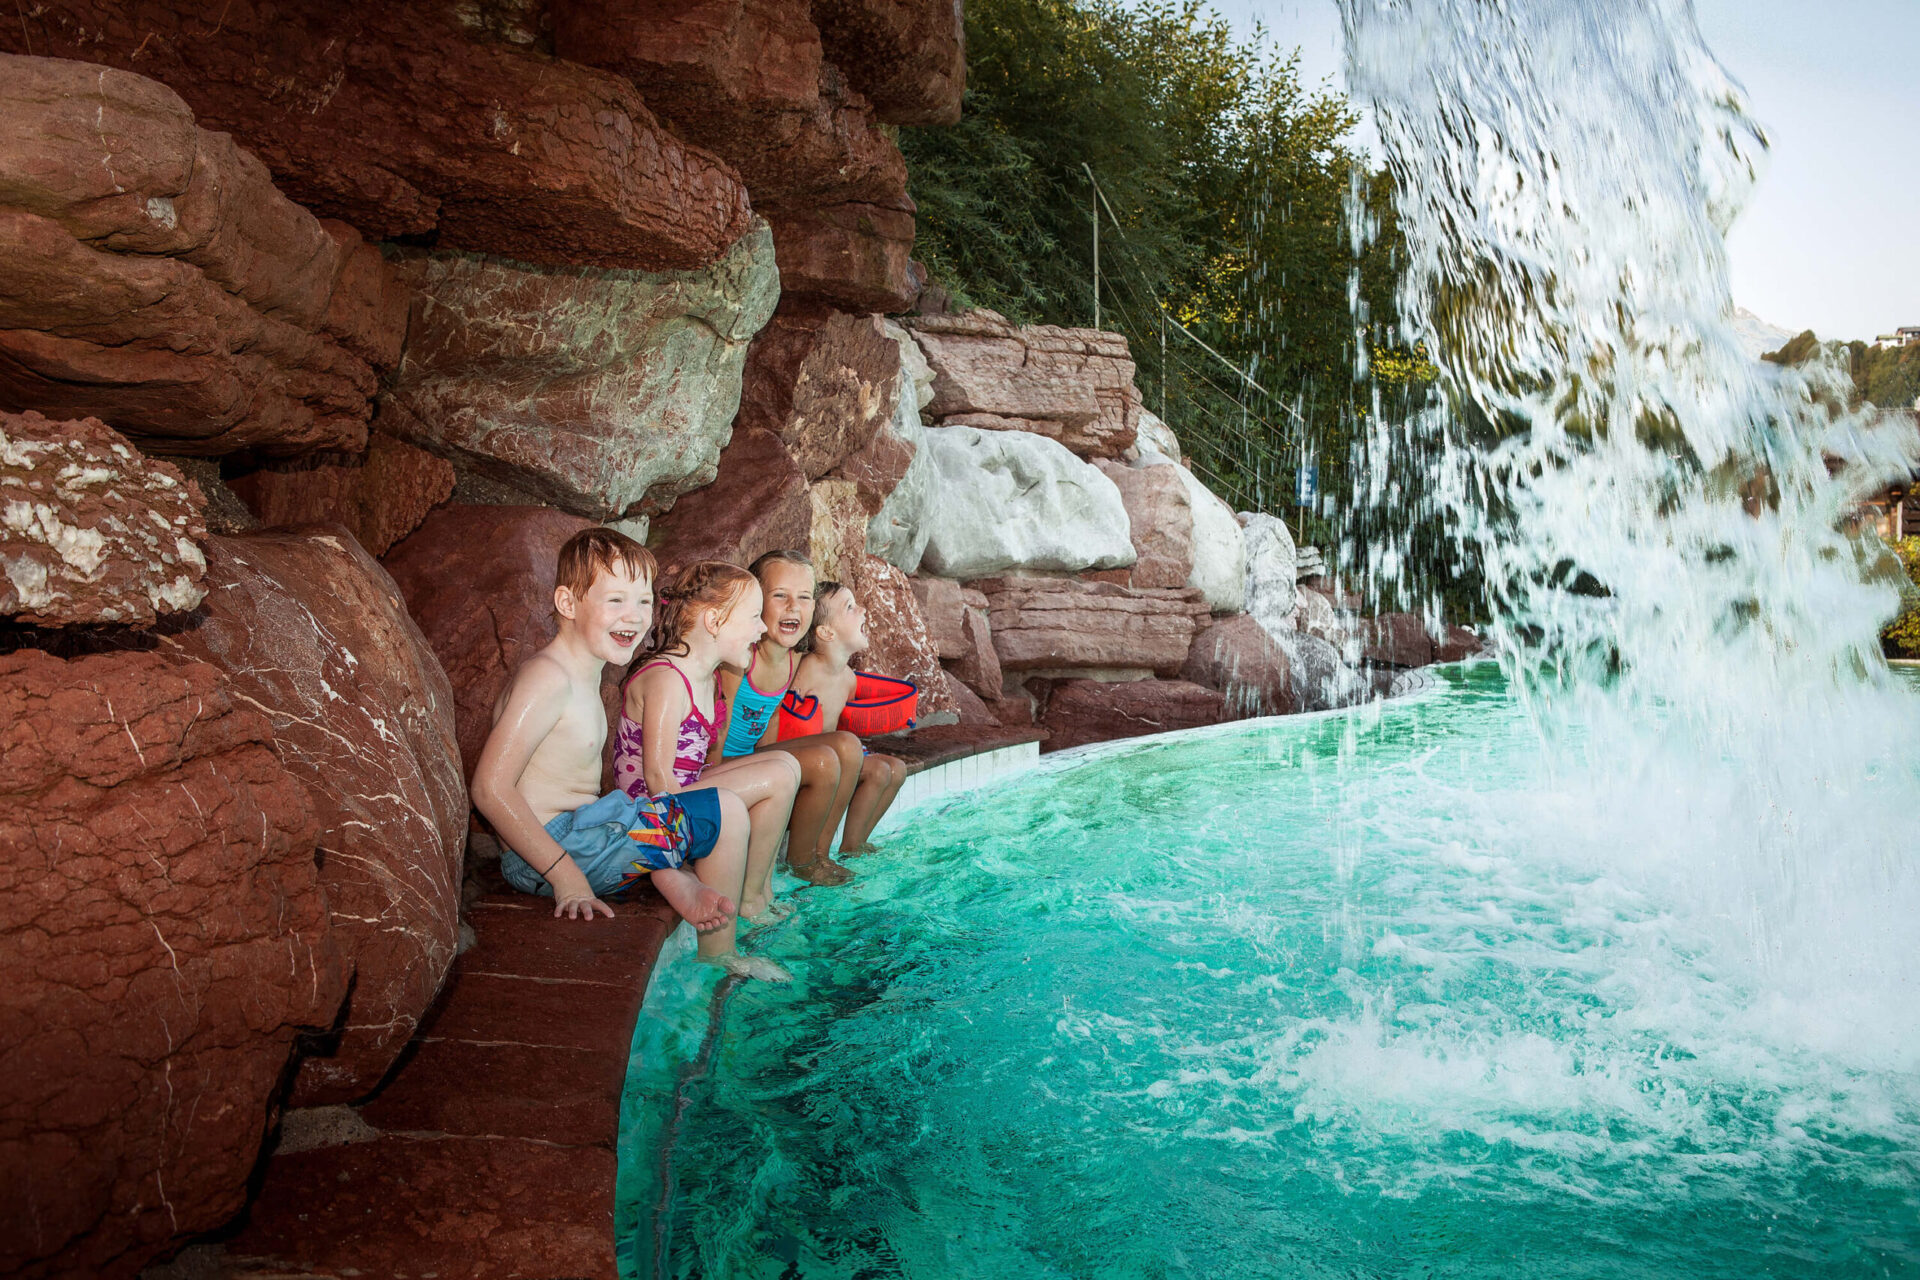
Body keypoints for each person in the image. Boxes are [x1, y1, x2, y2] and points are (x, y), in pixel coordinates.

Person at [471, 529, 786, 982]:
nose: (635, 617)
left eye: (643, 602)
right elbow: (488, 788)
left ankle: (677, 881)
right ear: (567, 603)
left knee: (683, 810)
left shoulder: (579, 676)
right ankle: (718, 957)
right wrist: (566, 878)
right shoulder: (548, 679)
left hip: (584, 834)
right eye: (616, 600)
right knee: (726, 812)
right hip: (552, 852)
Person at [616, 560, 804, 925]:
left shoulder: (706, 677)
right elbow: (657, 778)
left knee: (787, 764)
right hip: (644, 818)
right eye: (753, 617)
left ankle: (759, 890)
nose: (762, 628)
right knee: (779, 777)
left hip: (681, 793)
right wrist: (682, 859)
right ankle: (749, 901)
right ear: (714, 622)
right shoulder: (668, 680)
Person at [715, 549, 865, 887]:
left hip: (753, 758)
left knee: (848, 745)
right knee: (824, 761)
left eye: (803, 597)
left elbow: (771, 733)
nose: (792, 606)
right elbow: (718, 728)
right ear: (756, 603)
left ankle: (819, 854)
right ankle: (800, 863)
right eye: (779, 595)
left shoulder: (791, 661)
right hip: (721, 766)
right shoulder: (741, 659)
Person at [790, 580, 910, 855]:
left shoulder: (848, 679)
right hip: (813, 764)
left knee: (895, 769)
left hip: (837, 760)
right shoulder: (806, 670)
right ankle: (820, 850)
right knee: (874, 767)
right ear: (826, 632)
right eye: (850, 607)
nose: (863, 610)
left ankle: (853, 845)